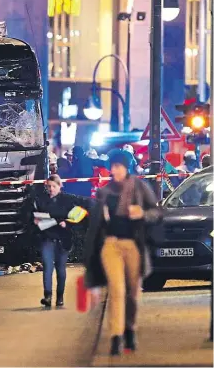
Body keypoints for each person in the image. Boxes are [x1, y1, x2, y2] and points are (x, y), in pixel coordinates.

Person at [84, 150, 161, 356]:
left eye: (119, 166)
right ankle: (116, 337)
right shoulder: (105, 191)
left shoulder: (139, 187)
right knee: (116, 290)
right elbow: (95, 226)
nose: (115, 170)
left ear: (127, 168)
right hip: (111, 245)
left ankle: (130, 329)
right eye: (113, 166)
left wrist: (142, 213)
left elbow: (157, 212)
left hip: (133, 245)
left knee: (133, 293)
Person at [33, 174, 92, 308]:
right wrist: (40, 220)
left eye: (54, 186)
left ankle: (60, 297)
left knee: (60, 269)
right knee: (47, 267)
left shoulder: (68, 200)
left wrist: (67, 223)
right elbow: (35, 218)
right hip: (47, 237)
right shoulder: (41, 201)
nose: (51, 189)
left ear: (60, 186)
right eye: (49, 186)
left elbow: (81, 213)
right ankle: (47, 296)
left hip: (63, 239)